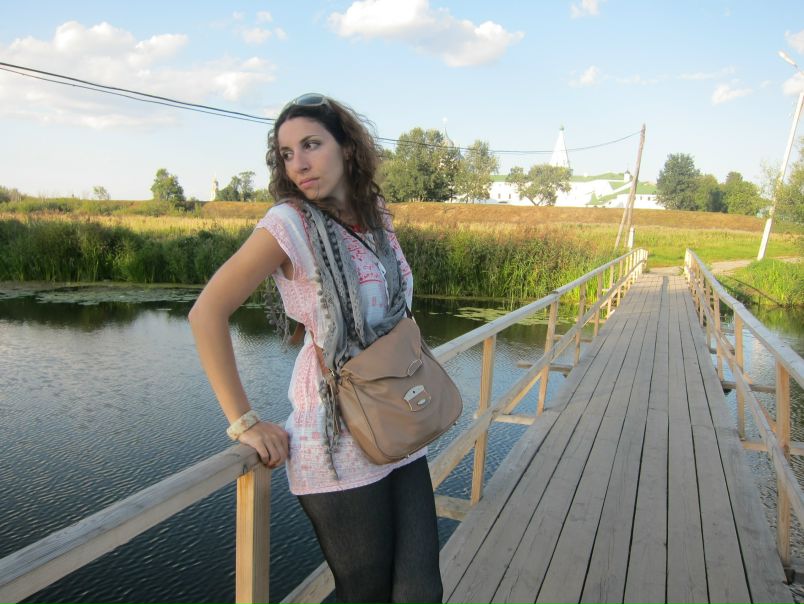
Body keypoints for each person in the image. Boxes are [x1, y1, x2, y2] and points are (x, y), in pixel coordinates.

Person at [188, 93, 443, 604]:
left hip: (396, 419)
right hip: (336, 435)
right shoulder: (288, 224)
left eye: (311, 145)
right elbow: (206, 313)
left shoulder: (376, 218)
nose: (299, 163)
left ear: (347, 147)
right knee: (365, 594)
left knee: (422, 590)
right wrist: (244, 421)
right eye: (286, 153)